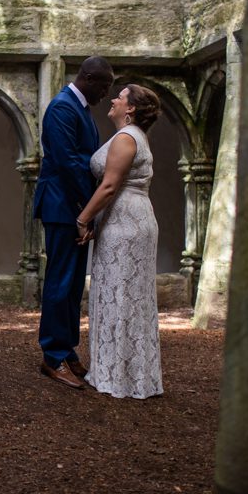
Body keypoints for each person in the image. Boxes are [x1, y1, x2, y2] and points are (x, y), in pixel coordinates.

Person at [76, 84, 163, 399]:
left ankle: (120, 376)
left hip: (127, 223)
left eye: (120, 97)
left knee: (122, 294)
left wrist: (83, 219)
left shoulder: (127, 138)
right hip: (126, 218)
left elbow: (110, 185)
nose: (113, 99)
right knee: (122, 294)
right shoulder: (130, 136)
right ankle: (126, 373)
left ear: (131, 109)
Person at [33, 56, 114, 389]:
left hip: (75, 207)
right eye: (105, 86)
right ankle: (52, 357)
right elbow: (68, 163)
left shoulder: (80, 108)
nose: (106, 94)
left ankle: (66, 349)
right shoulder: (63, 108)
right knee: (60, 281)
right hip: (63, 206)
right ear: (89, 78)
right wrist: (87, 210)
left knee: (73, 283)